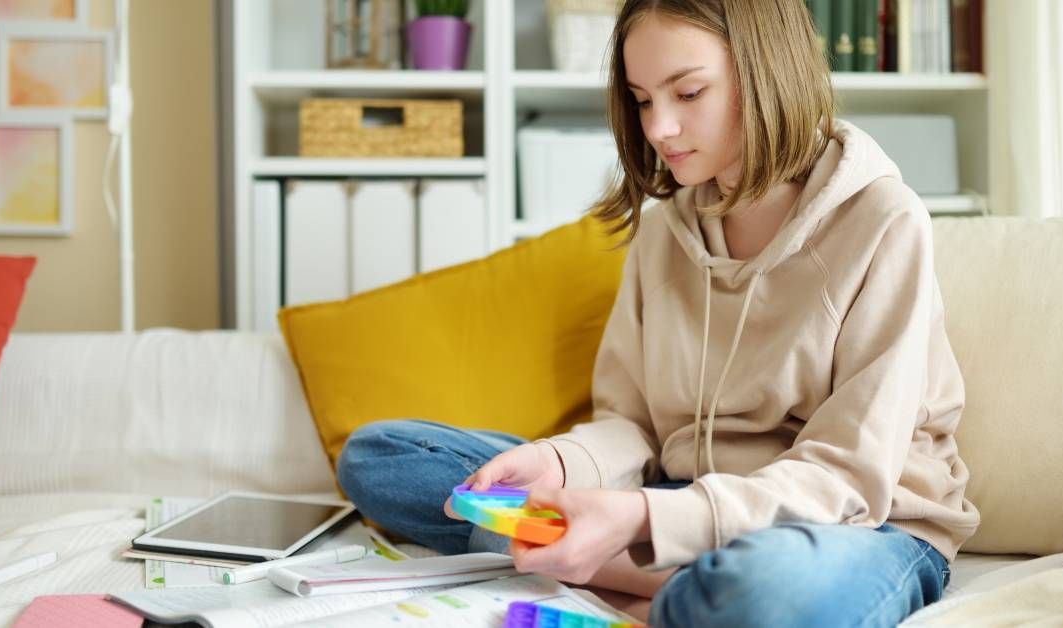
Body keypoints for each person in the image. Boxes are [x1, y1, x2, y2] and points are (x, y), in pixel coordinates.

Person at [336, 0, 980, 625]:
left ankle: (609, 567)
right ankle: (658, 581)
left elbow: (849, 476)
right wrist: (560, 465)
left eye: (688, 93)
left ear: (766, 71)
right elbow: (633, 424)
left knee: (768, 598)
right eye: (643, 99)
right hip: (674, 502)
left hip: (854, 528)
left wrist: (641, 522)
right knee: (385, 457)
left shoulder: (884, 221)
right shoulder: (662, 232)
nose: (657, 128)